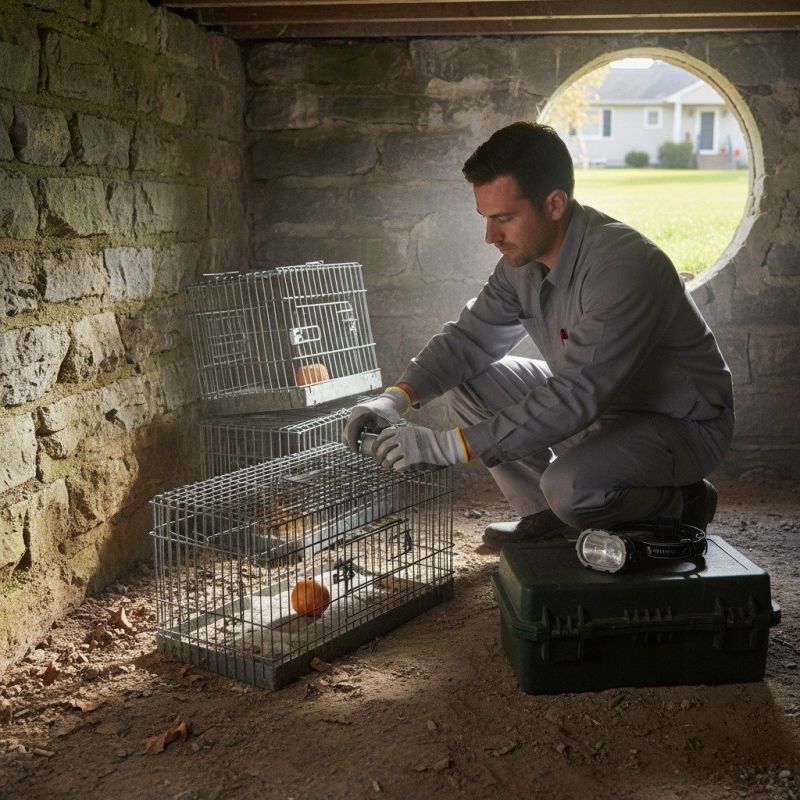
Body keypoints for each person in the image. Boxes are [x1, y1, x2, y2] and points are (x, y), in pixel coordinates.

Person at [343, 122, 734, 550]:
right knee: (468, 379)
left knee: (569, 486)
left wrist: (449, 447)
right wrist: (396, 397)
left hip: (678, 423)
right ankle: (545, 518)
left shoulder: (622, 266)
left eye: (503, 219)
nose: (490, 236)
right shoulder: (520, 263)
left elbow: (576, 395)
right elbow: (469, 339)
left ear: (554, 204)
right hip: (599, 408)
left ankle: (681, 502)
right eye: (486, 219)